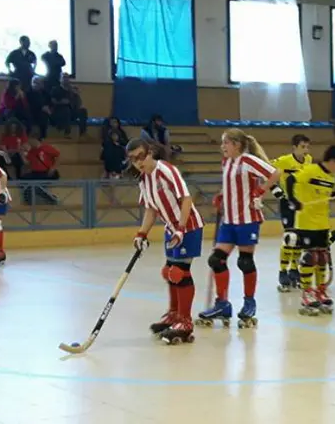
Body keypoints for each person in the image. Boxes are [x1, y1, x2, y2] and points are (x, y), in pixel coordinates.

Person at [197, 129, 282, 329]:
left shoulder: (247, 160)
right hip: (229, 220)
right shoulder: (226, 162)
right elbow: (231, 186)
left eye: (225, 143)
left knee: (245, 262)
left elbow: (275, 173)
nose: (222, 147)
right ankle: (222, 304)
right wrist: (221, 195)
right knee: (216, 259)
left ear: (236, 144)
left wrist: (261, 191)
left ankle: (249, 303)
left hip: (247, 219)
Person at [129, 138, 205, 345]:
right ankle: (174, 314)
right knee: (169, 272)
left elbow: (186, 199)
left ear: (150, 153)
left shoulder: (167, 171)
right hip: (170, 229)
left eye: (141, 157)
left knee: (179, 273)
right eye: (133, 159)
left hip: (188, 227)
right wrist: (142, 233)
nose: (138, 162)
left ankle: (186, 321)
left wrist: (181, 229)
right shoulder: (144, 179)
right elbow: (151, 208)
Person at [286, 146, 335, 315]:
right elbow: (290, 180)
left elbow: (326, 193)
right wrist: (293, 200)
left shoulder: (331, 177)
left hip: (323, 223)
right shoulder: (310, 170)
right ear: (333, 161)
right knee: (310, 257)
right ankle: (306, 293)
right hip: (306, 222)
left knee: (322, 258)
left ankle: (320, 290)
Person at [271, 134, 312, 292]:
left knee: (299, 239)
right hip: (287, 203)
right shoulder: (284, 161)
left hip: (301, 203)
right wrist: (276, 190)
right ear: (294, 147)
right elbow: (267, 172)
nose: (305, 150)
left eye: (307, 147)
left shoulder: (308, 160)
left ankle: (294, 269)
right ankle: (283, 271)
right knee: (290, 237)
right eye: (302, 147)